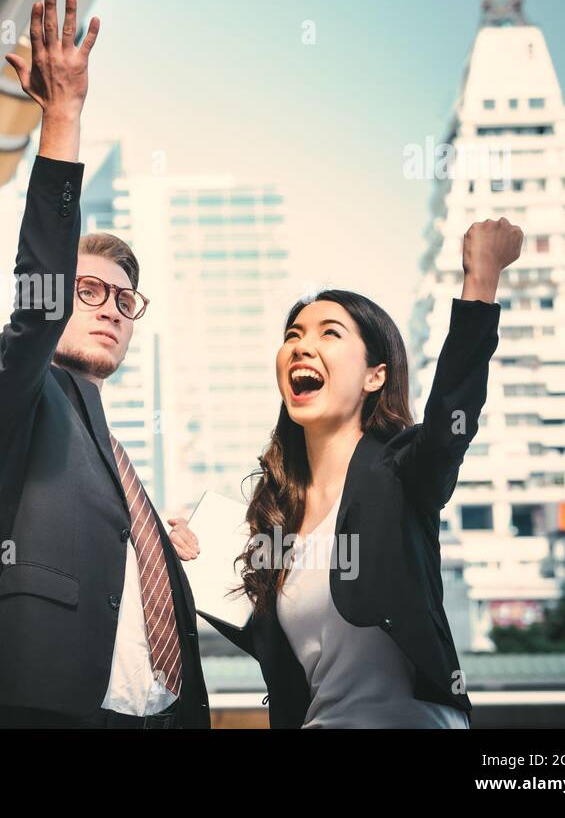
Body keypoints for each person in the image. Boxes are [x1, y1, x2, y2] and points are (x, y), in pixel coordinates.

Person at [0, 0, 210, 729]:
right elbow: (34, 314)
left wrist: (159, 541)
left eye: (126, 301)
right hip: (54, 709)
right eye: (87, 289)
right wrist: (60, 118)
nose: (110, 308)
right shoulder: (0, 385)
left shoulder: (109, 450)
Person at [171, 218, 523, 728]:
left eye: (328, 333)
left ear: (375, 375)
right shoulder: (274, 520)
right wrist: (192, 567)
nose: (301, 346)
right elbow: (275, 647)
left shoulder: (403, 473)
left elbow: (452, 416)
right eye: (293, 335)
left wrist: (481, 279)